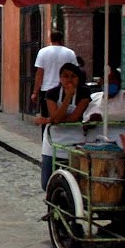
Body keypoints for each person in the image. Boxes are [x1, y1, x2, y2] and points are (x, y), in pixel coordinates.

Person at [36, 62, 92, 191]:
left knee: (76, 184)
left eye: (73, 76)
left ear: (78, 78)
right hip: (53, 143)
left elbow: (74, 117)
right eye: (65, 76)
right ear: (60, 78)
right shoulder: (52, 93)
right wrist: (68, 97)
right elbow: (56, 117)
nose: (69, 80)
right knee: (48, 183)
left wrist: (50, 120)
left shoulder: (84, 93)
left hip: (76, 143)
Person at [31, 31, 78, 127]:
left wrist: (35, 92)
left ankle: (46, 138)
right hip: (65, 88)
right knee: (64, 114)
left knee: (45, 117)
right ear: (62, 39)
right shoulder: (70, 53)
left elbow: (39, 73)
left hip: (46, 89)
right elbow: (75, 71)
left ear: (51, 39)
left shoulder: (43, 52)